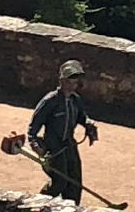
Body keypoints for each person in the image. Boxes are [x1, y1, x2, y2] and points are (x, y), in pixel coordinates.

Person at [25, 58, 103, 204]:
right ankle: (39, 204)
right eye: (69, 80)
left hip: (70, 146)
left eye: (75, 81)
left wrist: (88, 124)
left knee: (75, 184)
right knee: (59, 183)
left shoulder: (75, 100)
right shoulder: (50, 101)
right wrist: (35, 145)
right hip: (54, 148)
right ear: (61, 80)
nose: (72, 85)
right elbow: (33, 128)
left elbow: (81, 116)